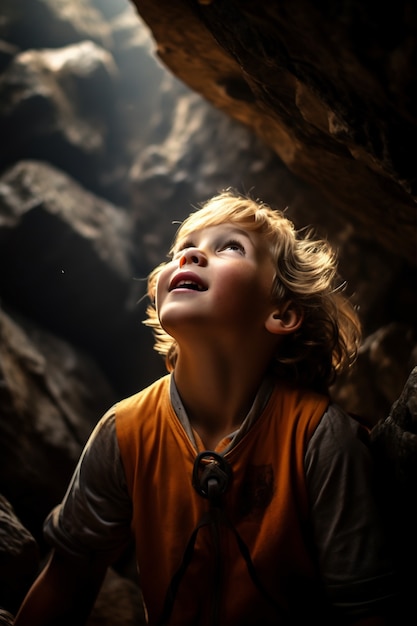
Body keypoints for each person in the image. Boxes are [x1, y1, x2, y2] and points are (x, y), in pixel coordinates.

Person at [14, 189, 398, 625]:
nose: (190, 256)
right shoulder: (126, 431)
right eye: (182, 249)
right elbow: (68, 575)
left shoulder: (320, 439)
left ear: (283, 314)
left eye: (231, 246)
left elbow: (367, 610)